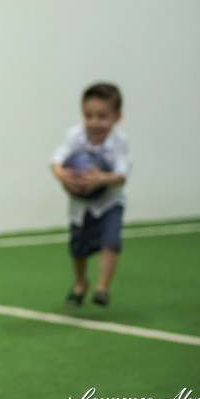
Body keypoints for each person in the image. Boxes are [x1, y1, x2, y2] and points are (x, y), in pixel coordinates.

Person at [50, 83, 130, 308]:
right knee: (78, 249)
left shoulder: (119, 141)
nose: (94, 122)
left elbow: (123, 173)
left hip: (110, 202)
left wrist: (102, 179)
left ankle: (102, 287)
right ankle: (80, 282)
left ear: (117, 116)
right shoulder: (75, 136)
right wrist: (62, 176)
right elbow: (56, 160)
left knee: (110, 241)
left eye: (102, 116)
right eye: (88, 115)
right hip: (80, 206)